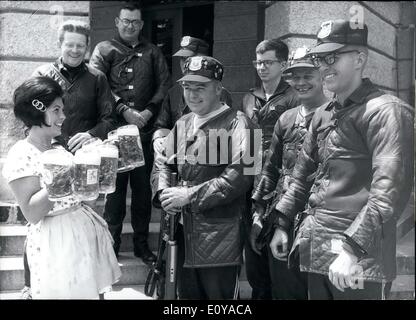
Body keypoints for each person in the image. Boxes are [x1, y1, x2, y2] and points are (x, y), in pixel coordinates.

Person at [271, 19, 413, 300]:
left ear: (360, 58)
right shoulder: (323, 114)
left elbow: (388, 194)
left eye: (332, 57)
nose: (323, 66)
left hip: (359, 260)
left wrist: (351, 250)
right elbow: (301, 177)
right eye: (319, 58)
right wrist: (282, 223)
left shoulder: (386, 112)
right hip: (317, 250)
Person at [2, 76, 121, 299]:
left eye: (62, 109)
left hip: (82, 233)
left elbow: (86, 200)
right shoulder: (21, 154)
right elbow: (32, 213)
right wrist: (65, 174)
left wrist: (99, 166)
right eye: (56, 110)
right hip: (56, 243)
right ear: (37, 111)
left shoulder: (61, 149)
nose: (63, 116)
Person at [152, 56, 256, 299]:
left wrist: (188, 195)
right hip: (180, 230)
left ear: (218, 88)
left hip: (220, 234)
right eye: (187, 87)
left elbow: (241, 176)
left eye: (201, 87)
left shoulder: (242, 123)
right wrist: (164, 192)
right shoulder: (183, 123)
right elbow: (162, 163)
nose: (192, 94)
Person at [89, 3, 171, 263]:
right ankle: (111, 246)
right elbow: (97, 85)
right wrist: (123, 109)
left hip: (145, 134)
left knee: (142, 195)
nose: (130, 26)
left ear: (142, 24)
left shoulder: (153, 52)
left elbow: (164, 84)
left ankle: (141, 244)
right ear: (117, 21)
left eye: (135, 22)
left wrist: (148, 111)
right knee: (114, 194)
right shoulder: (103, 50)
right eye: (126, 21)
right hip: (113, 135)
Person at [251, 47, 328, 299]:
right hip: (283, 218)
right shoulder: (285, 119)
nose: (301, 82)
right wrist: (258, 212)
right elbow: (270, 168)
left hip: (319, 221)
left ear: (322, 76)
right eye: (295, 76)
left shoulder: (334, 115)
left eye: (308, 75)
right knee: (284, 290)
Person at [241, 38, 299, 299]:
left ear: (283, 64)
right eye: (258, 62)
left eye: (268, 62)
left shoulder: (294, 96)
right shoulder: (248, 98)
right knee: (254, 258)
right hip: (252, 182)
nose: (261, 67)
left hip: (281, 183)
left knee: (281, 267)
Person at [33, 20, 117, 153]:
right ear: (59, 44)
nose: (75, 50)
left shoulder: (98, 78)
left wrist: (92, 134)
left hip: (87, 155)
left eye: (80, 45)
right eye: (69, 45)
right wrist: (53, 143)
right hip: (49, 154)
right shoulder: (41, 75)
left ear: (87, 47)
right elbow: (30, 116)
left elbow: (109, 119)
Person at [152, 35, 234, 155]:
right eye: (182, 59)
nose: (185, 63)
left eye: (189, 58)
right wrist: (159, 138)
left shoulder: (220, 94)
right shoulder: (173, 92)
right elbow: (162, 124)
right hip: (177, 157)